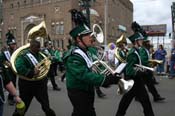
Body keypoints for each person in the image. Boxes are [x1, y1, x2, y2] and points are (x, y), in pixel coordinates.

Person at [63, 24, 121, 116]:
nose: (92, 37)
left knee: (80, 112)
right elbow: (84, 75)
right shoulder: (73, 56)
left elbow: (97, 64)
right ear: (79, 39)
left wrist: (110, 74)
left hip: (87, 88)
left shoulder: (87, 51)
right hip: (78, 91)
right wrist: (105, 80)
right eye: (88, 35)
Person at [12, 39, 56, 116]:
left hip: (40, 84)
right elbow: (19, 67)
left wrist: (48, 62)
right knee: (23, 106)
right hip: (27, 85)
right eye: (37, 47)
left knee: (46, 105)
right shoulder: (23, 56)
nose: (39, 49)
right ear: (32, 47)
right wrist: (32, 72)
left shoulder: (40, 54)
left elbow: (45, 62)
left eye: (39, 47)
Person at [115, 32, 155, 116]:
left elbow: (138, 64)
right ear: (136, 41)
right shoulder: (132, 53)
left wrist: (146, 67)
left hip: (137, 80)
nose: (142, 41)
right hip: (133, 80)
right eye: (140, 40)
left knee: (144, 101)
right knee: (126, 102)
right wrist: (141, 71)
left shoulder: (137, 51)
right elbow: (129, 70)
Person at [139, 37, 165, 102]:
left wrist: (153, 62)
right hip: (144, 69)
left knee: (149, 84)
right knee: (141, 85)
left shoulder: (145, 49)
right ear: (145, 43)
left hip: (147, 69)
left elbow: (147, 59)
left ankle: (156, 96)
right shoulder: (142, 50)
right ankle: (138, 96)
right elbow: (143, 60)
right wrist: (151, 63)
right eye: (148, 42)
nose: (149, 43)